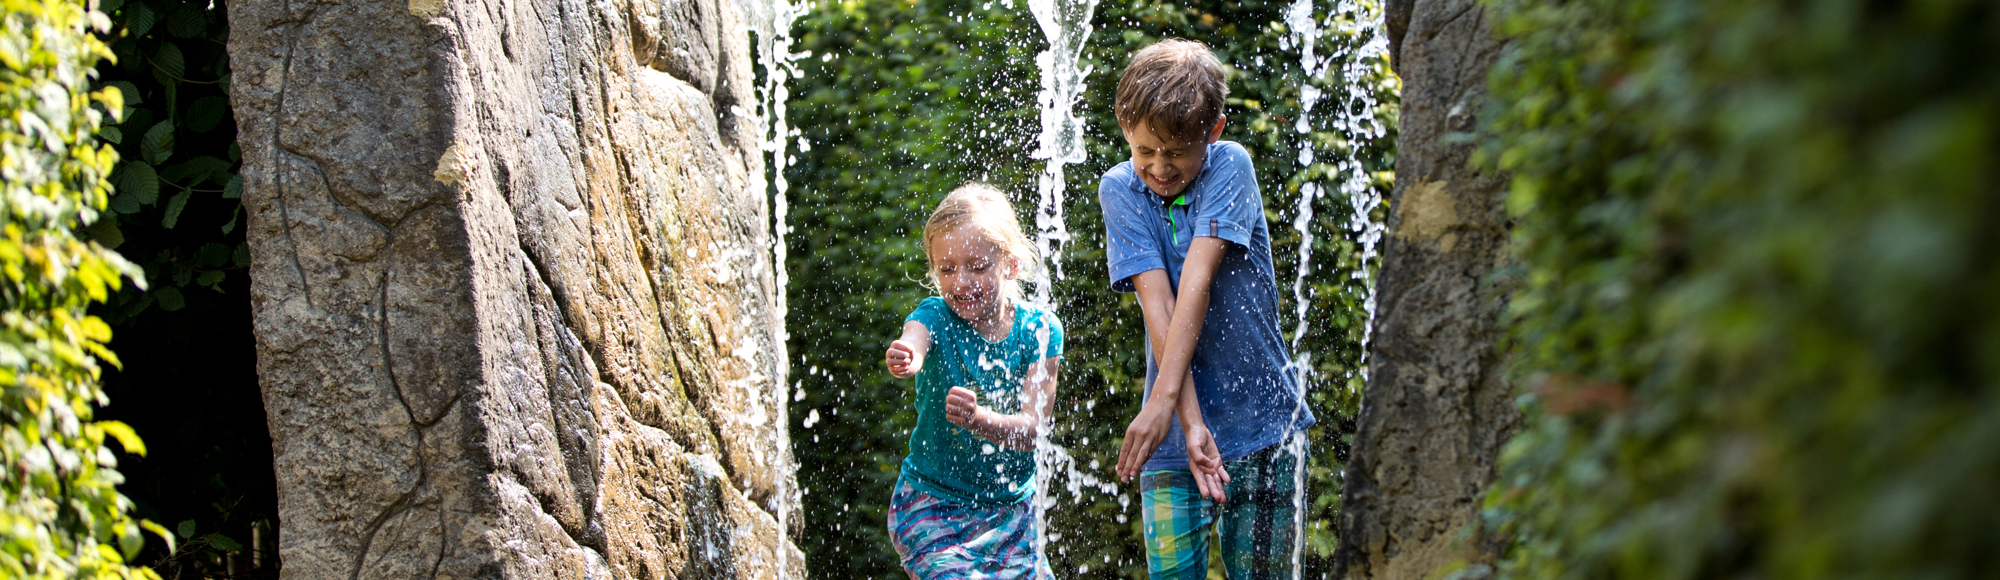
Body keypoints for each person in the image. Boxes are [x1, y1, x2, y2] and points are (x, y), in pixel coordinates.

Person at [1097, 39, 1314, 579]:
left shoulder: (1229, 166)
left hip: (1263, 425)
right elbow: (1161, 306)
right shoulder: (1120, 189)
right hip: (1170, 437)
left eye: (1175, 152)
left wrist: (1163, 399)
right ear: (1125, 128)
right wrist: (1181, 419)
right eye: (1145, 150)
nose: (1158, 167)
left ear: (1213, 131)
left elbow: (1196, 281)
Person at [882, 183, 1063, 580]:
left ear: (1011, 265)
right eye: (946, 269)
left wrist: (981, 420)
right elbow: (915, 338)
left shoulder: (1041, 332)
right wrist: (908, 356)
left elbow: (1032, 431)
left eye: (977, 266)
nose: (961, 281)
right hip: (932, 503)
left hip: (1012, 515)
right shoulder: (935, 315)